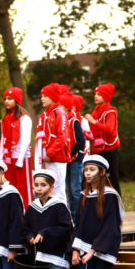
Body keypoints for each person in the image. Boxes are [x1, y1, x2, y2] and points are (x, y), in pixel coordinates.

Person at [70, 155, 124, 269]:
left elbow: (110, 226)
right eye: (86, 170)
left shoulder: (110, 195)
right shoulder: (84, 195)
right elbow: (79, 224)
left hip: (103, 247)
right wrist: (76, 249)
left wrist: (93, 251)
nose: (87, 173)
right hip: (85, 247)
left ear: (102, 172)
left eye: (92, 170)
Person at [84, 83, 121, 196]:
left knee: (112, 178)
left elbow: (109, 130)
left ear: (106, 97)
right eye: (95, 94)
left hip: (109, 149)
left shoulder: (110, 112)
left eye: (99, 94)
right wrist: (88, 133)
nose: (96, 96)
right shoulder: (95, 112)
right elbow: (95, 131)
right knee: (99, 179)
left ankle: (116, 204)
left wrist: (93, 121)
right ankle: (101, 204)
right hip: (98, 150)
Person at [0, 87, 33, 207]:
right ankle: (15, 213)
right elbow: (3, 140)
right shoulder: (5, 120)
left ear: (17, 100)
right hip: (8, 158)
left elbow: (26, 139)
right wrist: (0, 159)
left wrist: (20, 159)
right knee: (10, 187)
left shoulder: (25, 118)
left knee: (24, 188)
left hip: (21, 158)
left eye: (10, 99)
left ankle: (27, 213)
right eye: (5, 99)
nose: (6, 101)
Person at [35, 83, 69, 204]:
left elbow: (61, 137)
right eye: (41, 96)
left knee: (58, 191)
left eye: (45, 96)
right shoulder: (46, 114)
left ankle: (65, 221)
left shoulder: (59, 113)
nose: (42, 99)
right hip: (47, 159)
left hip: (56, 159)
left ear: (53, 97)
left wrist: (49, 154)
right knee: (48, 191)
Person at [63, 92, 86, 222]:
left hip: (75, 160)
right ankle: (73, 219)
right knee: (69, 191)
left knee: (76, 190)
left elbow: (81, 141)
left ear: (67, 107)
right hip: (66, 161)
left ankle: (82, 217)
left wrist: (70, 153)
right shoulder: (63, 122)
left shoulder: (73, 121)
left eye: (61, 105)